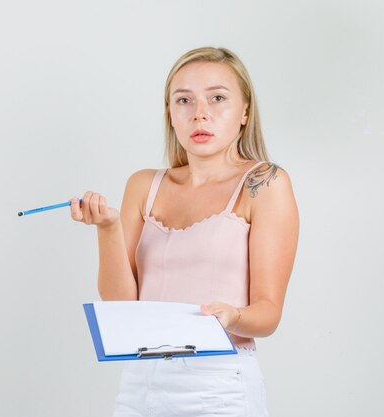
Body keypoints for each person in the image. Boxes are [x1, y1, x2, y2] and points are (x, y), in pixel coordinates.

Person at [70, 46, 299, 417]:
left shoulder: (265, 183)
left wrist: (233, 316)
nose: (200, 113)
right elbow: (121, 304)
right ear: (170, 115)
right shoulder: (143, 185)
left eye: (218, 98)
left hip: (220, 384)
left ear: (244, 112)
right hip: (140, 381)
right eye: (184, 100)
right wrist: (108, 228)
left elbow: (269, 313)